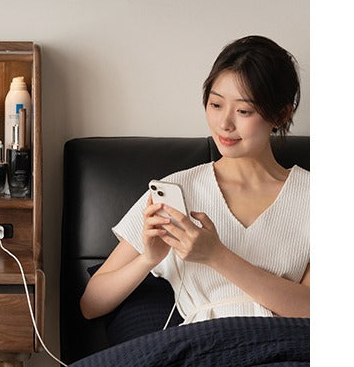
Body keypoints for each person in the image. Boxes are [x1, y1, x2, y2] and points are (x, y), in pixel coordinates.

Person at [80, 35, 310, 324]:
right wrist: (149, 259)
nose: (225, 123)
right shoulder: (178, 190)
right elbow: (91, 303)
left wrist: (216, 256)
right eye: (215, 105)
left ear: (281, 114)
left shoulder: (312, 196)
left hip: (286, 350)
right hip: (201, 350)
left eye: (243, 111)